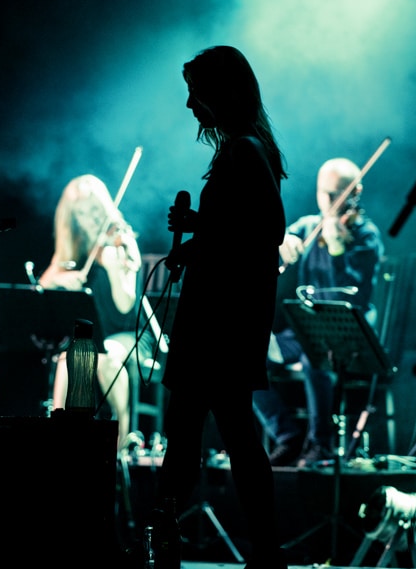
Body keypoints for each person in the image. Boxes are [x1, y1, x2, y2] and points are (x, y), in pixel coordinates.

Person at [158, 45, 289, 569]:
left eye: (196, 93)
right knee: (226, 436)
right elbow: (242, 234)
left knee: (190, 436)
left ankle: (162, 546)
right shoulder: (249, 148)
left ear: (222, 93)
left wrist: (201, 228)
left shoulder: (244, 150)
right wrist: (195, 240)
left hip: (218, 324)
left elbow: (269, 231)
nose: (191, 104)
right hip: (228, 321)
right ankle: (264, 554)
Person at [253, 157, 384, 467]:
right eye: (326, 193)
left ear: (356, 192)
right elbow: (275, 243)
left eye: (339, 194)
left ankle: (321, 443)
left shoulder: (366, 235)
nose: (332, 202)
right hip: (307, 328)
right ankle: (287, 436)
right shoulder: (308, 226)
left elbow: (353, 293)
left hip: (348, 332)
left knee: (315, 355)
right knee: (243, 356)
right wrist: (282, 240)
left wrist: (337, 250)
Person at [38, 173, 156, 451]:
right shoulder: (77, 243)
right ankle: (59, 430)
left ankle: (120, 437)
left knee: (106, 357)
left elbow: (125, 306)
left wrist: (114, 269)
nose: (90, 218)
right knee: (67, 357)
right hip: (97, 333)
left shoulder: (122, 239)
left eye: (93, 209)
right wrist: (64, 277)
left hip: (131, 333)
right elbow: (44, 282)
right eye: (81, 213)